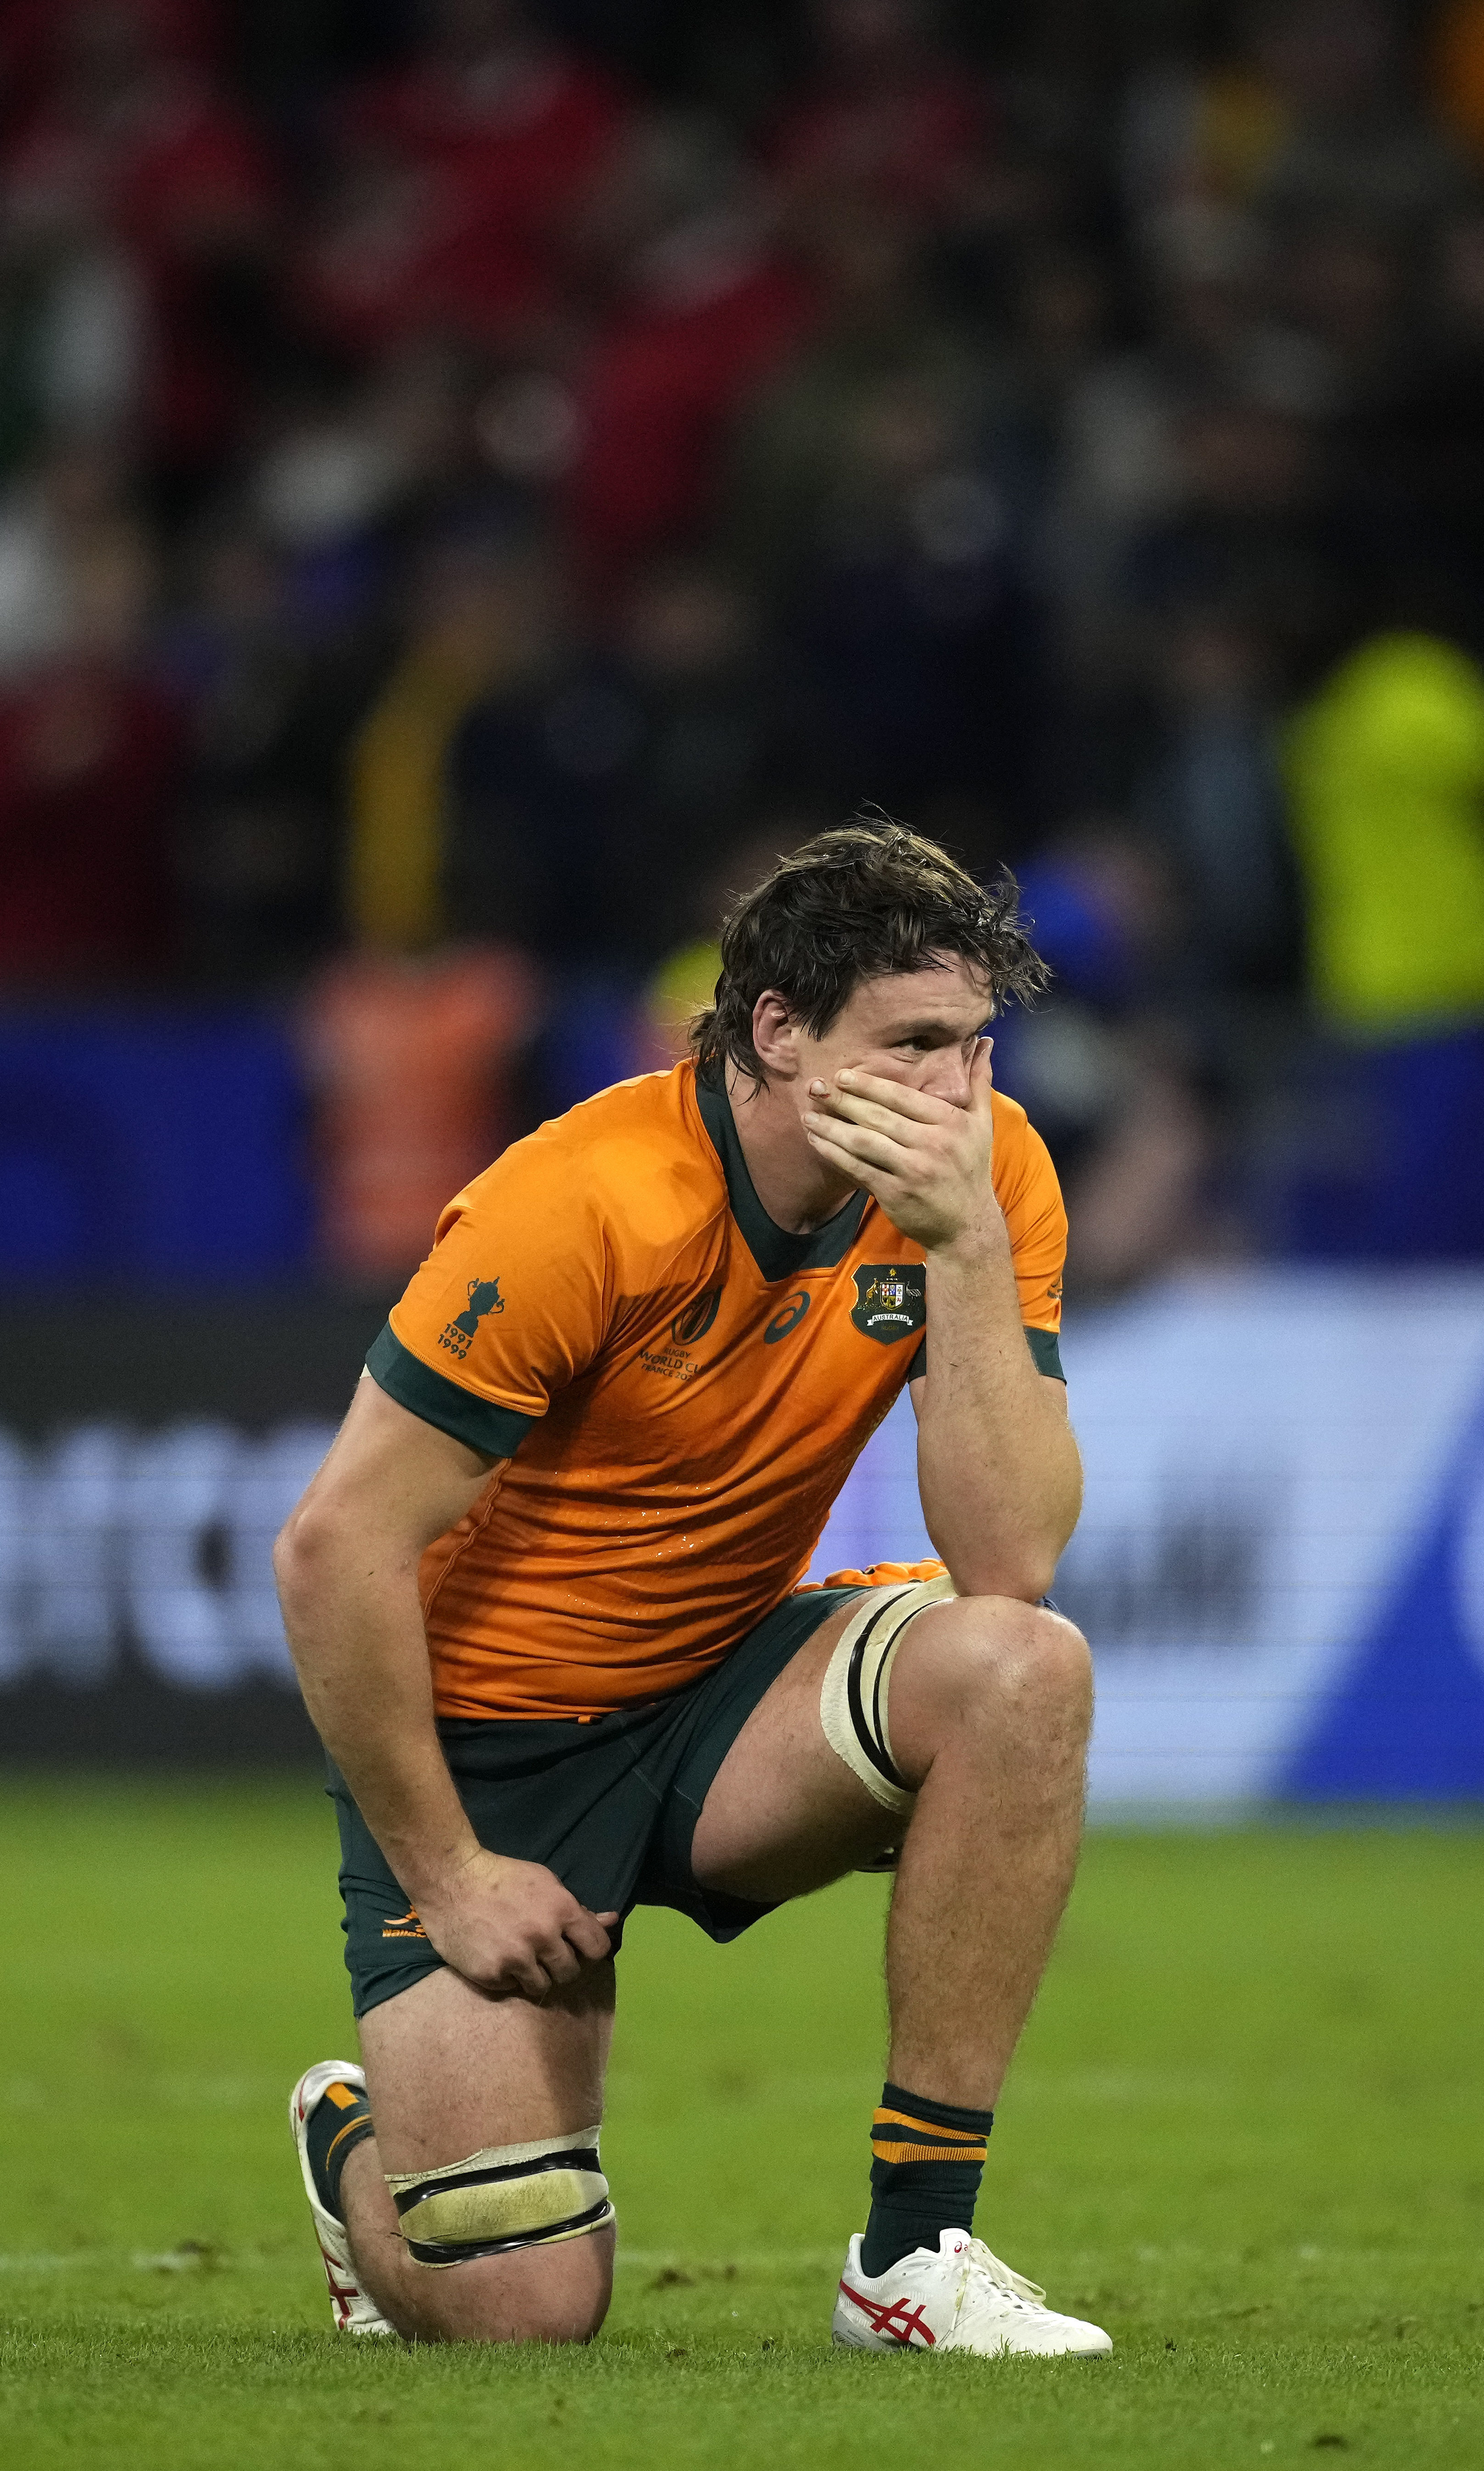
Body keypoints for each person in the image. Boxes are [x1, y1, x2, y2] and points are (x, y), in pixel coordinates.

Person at [272, 818, 1112, 2357]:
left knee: (1023, 1665)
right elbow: (331, 1548)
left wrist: (968, 1254)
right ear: (778, 1033)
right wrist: (450, 1872)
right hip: (490, 1752)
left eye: (975, 1046)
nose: (955, 1092)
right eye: (912, 1044)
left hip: (720, 1702)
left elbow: (1011, 1561)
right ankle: (353, 2150)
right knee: (522, 2312)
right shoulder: (577, 1204)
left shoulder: (982, 1181)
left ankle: (914, 2254)